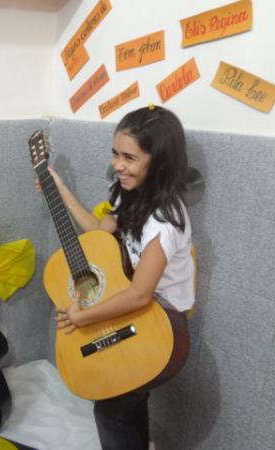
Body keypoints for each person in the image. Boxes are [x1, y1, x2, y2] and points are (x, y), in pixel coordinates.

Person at [36, 105, 194, 450]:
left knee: (111, 411)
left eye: (130, 157)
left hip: (160, 323)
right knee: (126, 404)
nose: (118, 165)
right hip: (136, 313)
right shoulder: (130, 194)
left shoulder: (165, 221)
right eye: (115, 153)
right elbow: (97, 232)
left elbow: (139, 295)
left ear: (160, 162)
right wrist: (58, 188)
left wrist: (83, 315)